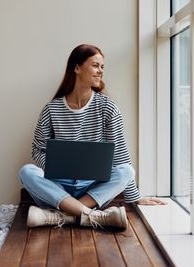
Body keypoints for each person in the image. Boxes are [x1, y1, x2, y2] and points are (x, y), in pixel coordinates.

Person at [19, 44, 165, 230]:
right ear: (77, 68)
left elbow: (120, 155)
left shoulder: (108, 108)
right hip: (58, 186)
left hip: (92, 188)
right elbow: (37, 149)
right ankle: (92, 216)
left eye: (102, 67)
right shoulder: (52, 109)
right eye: (95, 66)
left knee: (126, 171)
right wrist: (54, 168)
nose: (100, 71)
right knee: (27, 171)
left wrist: (134, 197)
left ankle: (62, 215)